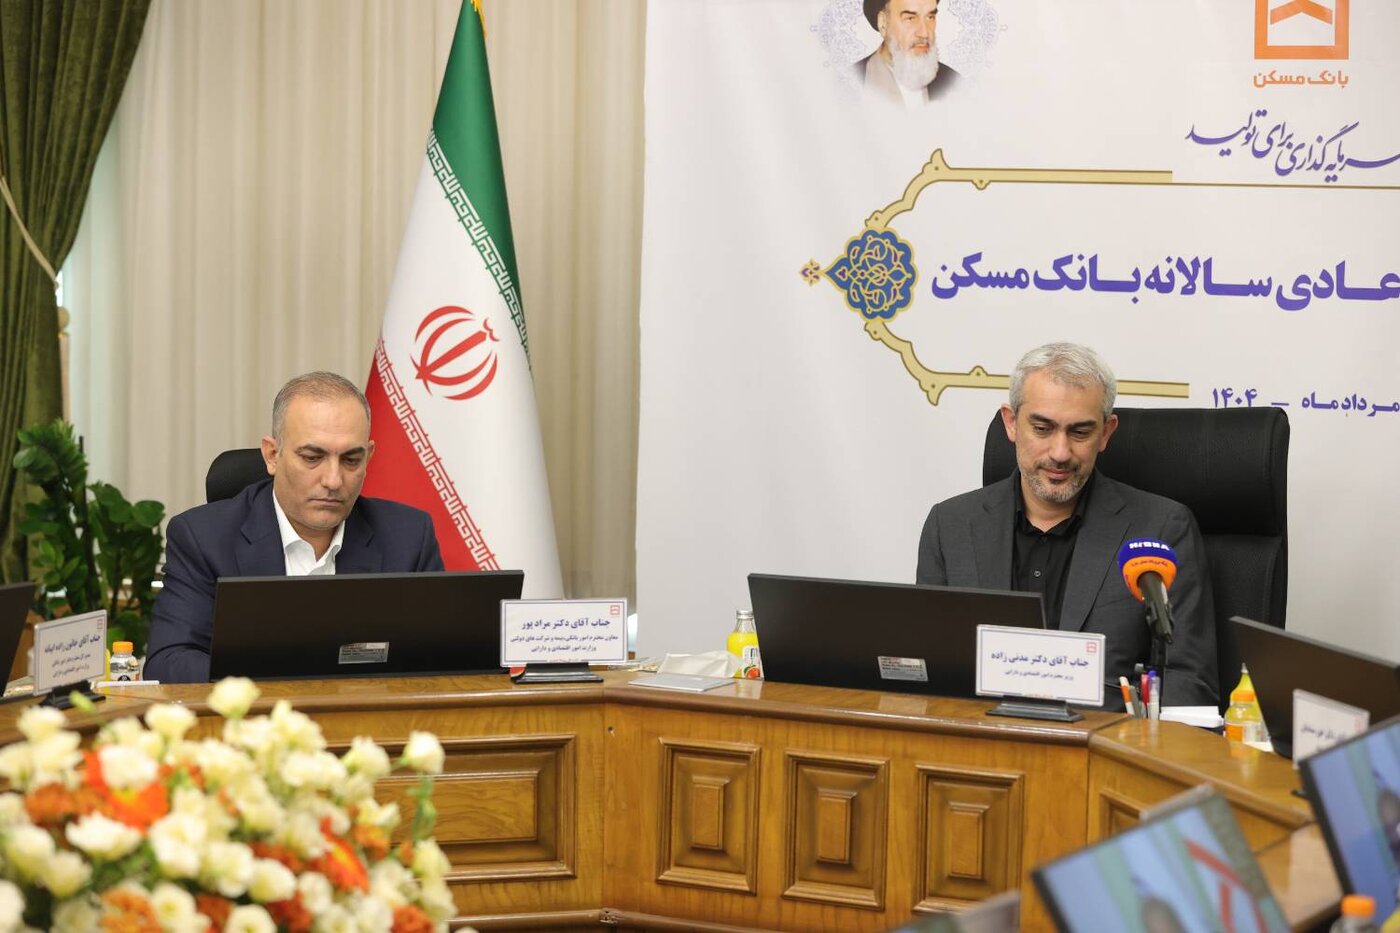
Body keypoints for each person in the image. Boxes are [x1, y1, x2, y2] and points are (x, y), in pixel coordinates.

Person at [915, 343, 1219, 707]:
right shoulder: (950, 527)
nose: (1060, 453)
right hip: (983, 737)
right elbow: (928, 670)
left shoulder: (1161, 529)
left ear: (1106, 433)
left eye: (1079, 432)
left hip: (1106, 739)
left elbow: (1190, 682)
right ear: (1011, 423)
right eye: (1042, 428)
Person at [144, 372, 444, 683]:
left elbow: (442, 656)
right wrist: (287, 685)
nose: (333, 480)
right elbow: (170, 662)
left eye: (351, 460)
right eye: (313, 457)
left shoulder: (408, 537)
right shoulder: (203, 538)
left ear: (369, 457)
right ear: (272, 455)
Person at [857, 0, 961, 108]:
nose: (924, 33)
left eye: (930, 17)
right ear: (883, 23)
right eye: (910, 19)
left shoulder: (955, 83)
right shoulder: (851, 84)